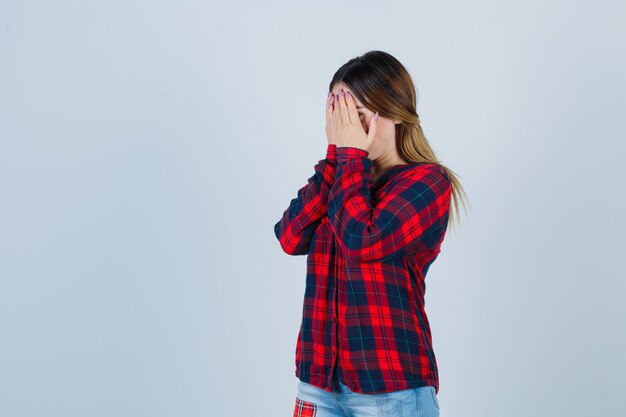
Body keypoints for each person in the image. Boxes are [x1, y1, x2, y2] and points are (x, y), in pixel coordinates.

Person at [274, 50, 468, 417]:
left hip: (390, 391)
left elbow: (361, 241)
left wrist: (348, 156)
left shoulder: (426, 182)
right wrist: (336, 159)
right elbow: (289, 237)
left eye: (358, 117)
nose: (347, 130)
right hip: (318, 386)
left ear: (394, 112)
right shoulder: (342, 174)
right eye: (339, 118)